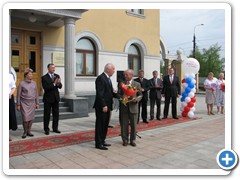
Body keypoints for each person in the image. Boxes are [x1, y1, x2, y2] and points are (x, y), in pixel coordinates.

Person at [93, 63, 119, 150]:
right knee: (100, 124)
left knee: (105, 124)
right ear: (108, 69)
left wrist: (118, 95)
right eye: (113, 69)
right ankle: (98, 143)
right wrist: (103, 105)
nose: (114, 71)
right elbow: (100, 94)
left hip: (108, 105)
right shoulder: (101, 78)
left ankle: (103, 140)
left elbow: (109, 92)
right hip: (102, 106)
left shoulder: (108, 79)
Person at [119, 69, 142, 147]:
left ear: (131, 75)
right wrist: (122, 97)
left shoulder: (137, 84)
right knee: (124, 125)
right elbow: (118, 94)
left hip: (133, 107)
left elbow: (140, 95)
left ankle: (132, 140)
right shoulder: (122, 83)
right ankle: (125, 140)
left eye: (126, 75)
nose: (125, 76)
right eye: (124, 75)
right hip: (124, 107)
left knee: (134, 125)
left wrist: (137, 99)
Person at [17, 68, 39, 138]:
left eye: (31, 74)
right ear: (26, 75)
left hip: (32, 102)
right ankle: (25, 131)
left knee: (31, 118)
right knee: (25, 118)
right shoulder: (21, 83)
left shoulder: (34, 83)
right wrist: (18, 104)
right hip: (24, 103)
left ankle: (29, 131)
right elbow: (18, 95)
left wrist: (37, 103)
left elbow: (36, 93)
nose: (31, 75)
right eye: (29, 74)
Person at [41, 63, 62, 135]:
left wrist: (59, 83)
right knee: (47, 114)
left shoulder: (57, 76)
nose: (53, 69)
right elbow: (46, 88)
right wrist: (54, 83)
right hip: (48, 99)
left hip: (56, 98)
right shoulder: (44, 77)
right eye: (52, 68)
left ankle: (55, 128)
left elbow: (60, 87)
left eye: (54, 67)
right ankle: (46, 129)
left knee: (56, 114)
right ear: (48, 68)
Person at [9, 73, 18, 141]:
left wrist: (10, 93)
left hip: (9, 97)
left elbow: (13, 87)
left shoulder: (10, 75)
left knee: (8, 116)